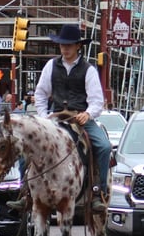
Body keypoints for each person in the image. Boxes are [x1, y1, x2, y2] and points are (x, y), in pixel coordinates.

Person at [34, 24, 112, 212]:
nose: (65, 48)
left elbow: (96, 100)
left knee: (104, 146)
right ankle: (25, 193)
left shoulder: (89, 69)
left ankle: (97, 192)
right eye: (62, 45)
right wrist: (43, 117)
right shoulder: (51, 66)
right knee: (29, 146)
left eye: (69, 45)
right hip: (56, 118)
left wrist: (88, 114)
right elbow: (41, 94)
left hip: (80, 119)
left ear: (78, 46)